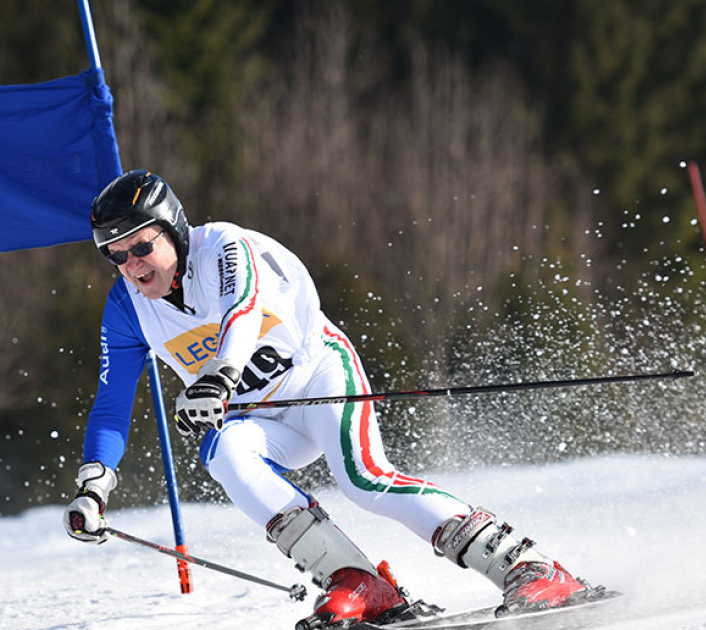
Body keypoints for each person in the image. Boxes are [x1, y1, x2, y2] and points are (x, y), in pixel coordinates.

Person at [63, 170, 606, 628]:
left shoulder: (223, 247)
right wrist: (94, 486)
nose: (134, 265)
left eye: (142, 246)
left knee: (364, 481)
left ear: (174, 230)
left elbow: (243, 312)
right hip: (259, 415)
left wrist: (219, 377)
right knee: (222, 451)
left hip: (319, 378)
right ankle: (359, 583)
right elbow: (112, 399)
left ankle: (526, 566)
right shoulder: (128, 306)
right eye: (117, 256)